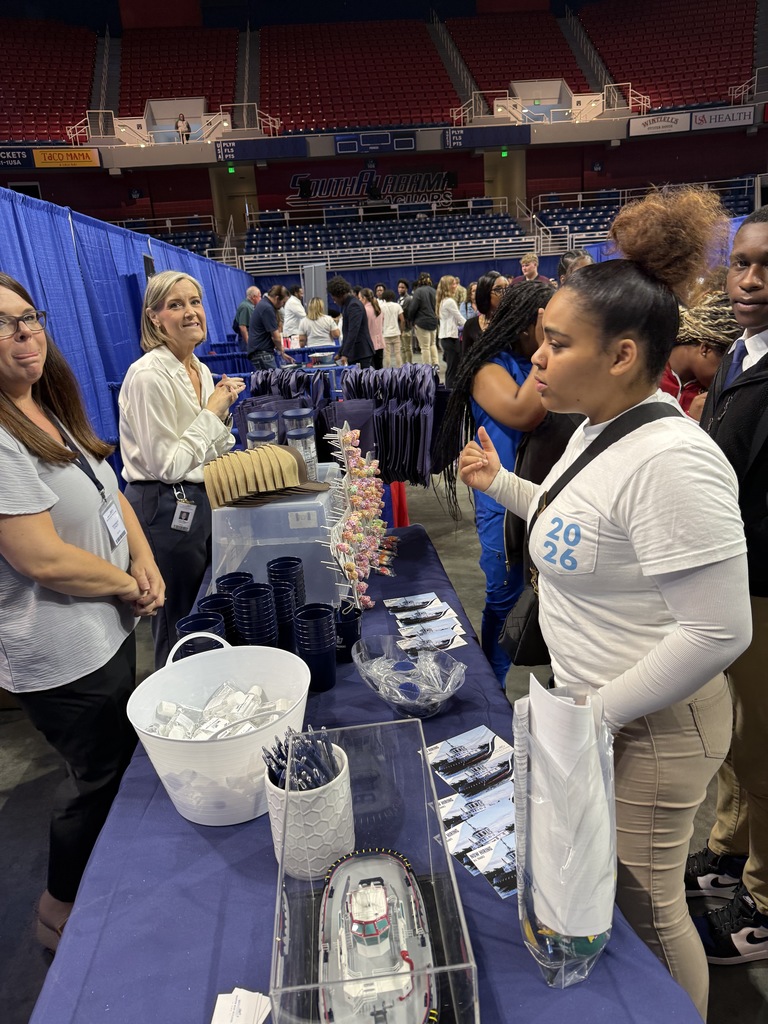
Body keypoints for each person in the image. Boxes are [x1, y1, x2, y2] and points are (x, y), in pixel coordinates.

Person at [458, 188, 751, 1018]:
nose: (537, 359)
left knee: (649, 908)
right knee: (619, 893)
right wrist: (502, 483)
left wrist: (603, 713)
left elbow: (719, 629)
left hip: (655, 722)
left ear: (623, 355)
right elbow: (576, 526)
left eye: (557, 343)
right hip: (604, 709)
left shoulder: (672, 461)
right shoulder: (596, 426)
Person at [0, 272, 164, 950]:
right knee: (95, 781)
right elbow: (41, 558)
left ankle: (100, 887)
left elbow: (108, 487)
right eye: (3, 324)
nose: (24, 332)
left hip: (104, 631)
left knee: (115, 768)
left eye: (29, 316)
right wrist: (126, 583)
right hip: (62, 652)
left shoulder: (46, 406)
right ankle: (57, 910)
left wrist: (143, 559)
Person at [687, 207, 768, 967]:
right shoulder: (741, 354)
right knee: (739, 733)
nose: (749, 280)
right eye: (741, 263)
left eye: (766, 267)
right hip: (733, 575)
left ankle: (764, 901)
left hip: (763, 577)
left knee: (765, 742)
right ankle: (730, 847)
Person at [119, 270, 245, 669]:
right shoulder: (147, 376)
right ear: (154, 318)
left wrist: (222, 414)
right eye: (176, 305)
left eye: (195, 302)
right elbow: (167, 464)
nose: (191, 312)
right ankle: (173, 696)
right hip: (162, 505)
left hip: (199, 497)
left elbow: (212, 448)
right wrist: (211, 413)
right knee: (178, 621)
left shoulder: (200, 370)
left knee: (202, 609)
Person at [438, 281, 553, 685]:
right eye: (547, 324)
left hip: (543, 495)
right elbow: (524, 413)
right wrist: (551, 347)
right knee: (504, 595)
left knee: (553, 591)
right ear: (526, 325)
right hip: (501, 504)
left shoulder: (538, 361)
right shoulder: (489, 367)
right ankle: (493, 683)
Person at [658, 291, 737, 421]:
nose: (727, 378)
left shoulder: (710, 397)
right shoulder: (646, 370)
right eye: (725, 367)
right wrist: (690, 420)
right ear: (705, 349)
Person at [327, 276, 375, 368]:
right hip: (356, 353)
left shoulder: (354, 305)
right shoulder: (347, 305)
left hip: (361, 353)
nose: (334, 302)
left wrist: (345, 354)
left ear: (340, 295)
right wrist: (341, 352)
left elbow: (353, 332)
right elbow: (347, 333)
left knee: (363, 377)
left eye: (334, 299)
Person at [247, 285, 295, 370]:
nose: (283, 306)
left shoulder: (263, 304)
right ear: (277, 298)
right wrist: (282, 350)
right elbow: (276, 337)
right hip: (262, 353)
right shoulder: (267, 308)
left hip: (259, 352)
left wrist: (282, 353)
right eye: (283, 302)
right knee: (273, 378)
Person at [461, 271, 509, 353]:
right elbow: (465, 358)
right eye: (498, 289)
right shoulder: (470, 325)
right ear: (485, 294)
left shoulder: (513, 321)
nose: (505, 293)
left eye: (507, 288)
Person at [436, 274, 466, 388]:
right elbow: (460, 319)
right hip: (450, 338)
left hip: (446, 338)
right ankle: (449, 392)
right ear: (447, 286)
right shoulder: (449, 301)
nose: (455, 286)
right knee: (452, 370)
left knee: (452, 368)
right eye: (453, 284)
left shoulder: (442, 301)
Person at [408, 272, 439, 367]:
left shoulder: (418, 291)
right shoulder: (434, 291)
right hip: (433, 321)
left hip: (421, 322)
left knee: (425, 347)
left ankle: (427, 367)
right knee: (432, 344)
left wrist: (411, 319)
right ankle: (436, 364)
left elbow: (413, 308)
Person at [380, 288, 404, 368]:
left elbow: (380, 320)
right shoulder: (397, 306)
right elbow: (402, 320)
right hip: (396, 332)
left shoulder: (381, 307)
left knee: (387, 354)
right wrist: (401, 331)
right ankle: (399, 369)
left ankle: (388, 369)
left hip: (386, 333)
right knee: (398, 353)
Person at [361, 288, 384, 370]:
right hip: (380, 342)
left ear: (364, 298)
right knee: (379, 368)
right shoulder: (379, 309)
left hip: (369, 344)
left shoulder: (364, 310)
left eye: (360, 298)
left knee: (371, 370)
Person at [233, 285, 261, 350]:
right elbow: (242, 327)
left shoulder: (249, 306)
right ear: (254, 297)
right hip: (246, 340)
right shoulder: (246, 307)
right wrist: (248, 343)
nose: (260, 299)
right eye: (259, 296)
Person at [397, 278, 413, 363]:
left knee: (407, 348)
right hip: (400, 326)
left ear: (406, 289)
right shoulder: (399, 299)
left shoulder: (408, 299)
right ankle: (404, 365)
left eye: (402, 287)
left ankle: (409, 365)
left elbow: (403, 311)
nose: (400, 289)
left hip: (407, 326)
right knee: (402, 348)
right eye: (399, 287)